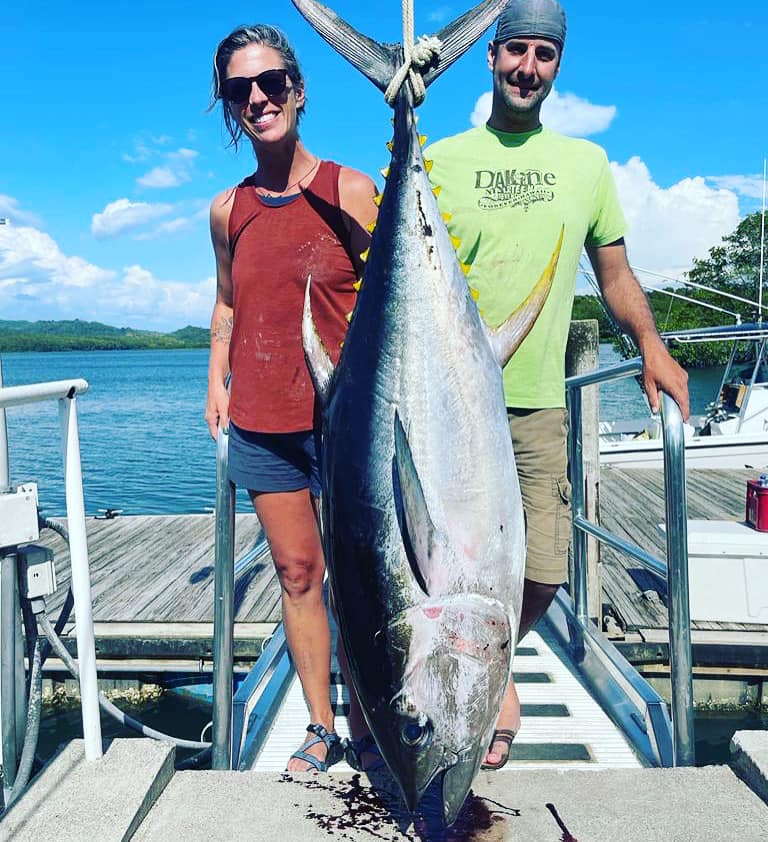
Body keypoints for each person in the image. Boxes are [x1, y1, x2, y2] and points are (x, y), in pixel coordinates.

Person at [425, 0, 689, 770]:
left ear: (557, 66)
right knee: (446, 560)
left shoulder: (586, 165)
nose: (527, 68)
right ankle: (456, 680)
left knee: (543, 568)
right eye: (515, 52)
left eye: (543, 54)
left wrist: (652, 344)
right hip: (448, 410)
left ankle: (491, 665)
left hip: (537, 401)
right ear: (491, 58)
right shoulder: (440, 161)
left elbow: (614, 272)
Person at [205, 24, 378, 772]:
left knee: (368, 574)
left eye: (271, 81)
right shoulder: (227, 210)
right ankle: (321, 724)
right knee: (299, 574)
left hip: (349, 428)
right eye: (240, 88)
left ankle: (375, 718)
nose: (257, 98)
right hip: (263, 422)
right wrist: (216, 377)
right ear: (229, 107)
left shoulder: (351, 189)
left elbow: (391, 303)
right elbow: (228, 302)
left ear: (298, 91)